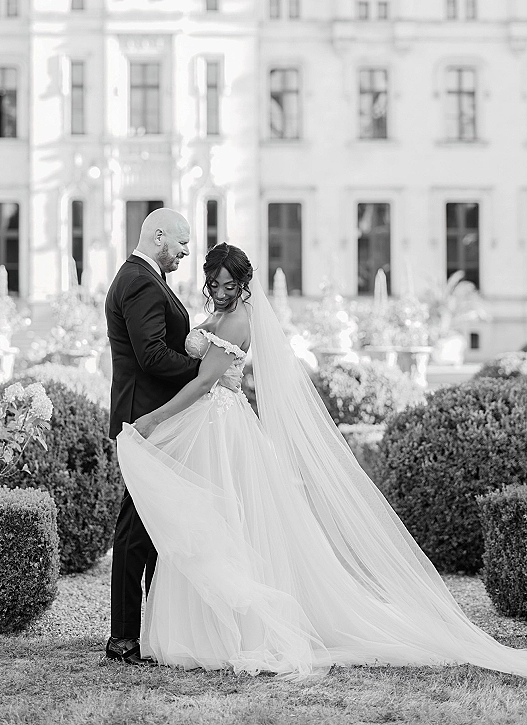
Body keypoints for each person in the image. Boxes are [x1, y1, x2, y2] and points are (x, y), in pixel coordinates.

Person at [116, 243, 527, 681]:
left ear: (244, 285)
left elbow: (202, 385)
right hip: (209, 425)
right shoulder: (221, 313)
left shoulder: (237, 320)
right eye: (213, 284)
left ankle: (231, 632)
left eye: (229, 285)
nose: (219, 292)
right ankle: (199, 626)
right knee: (206, 520)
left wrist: (153, 419)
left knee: (226, 523)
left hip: (222, 426)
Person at [104, 208, 200, 665]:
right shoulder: (141, 280)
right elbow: (152, 357)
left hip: (152, 418)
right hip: (146, 420)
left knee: (149, 524)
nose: (186, 250)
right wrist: (206, 371)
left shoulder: (143, 275)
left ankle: (147, 629)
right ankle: (123, 638)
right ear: (158, 235)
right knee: (136, 531)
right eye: (182, 241)